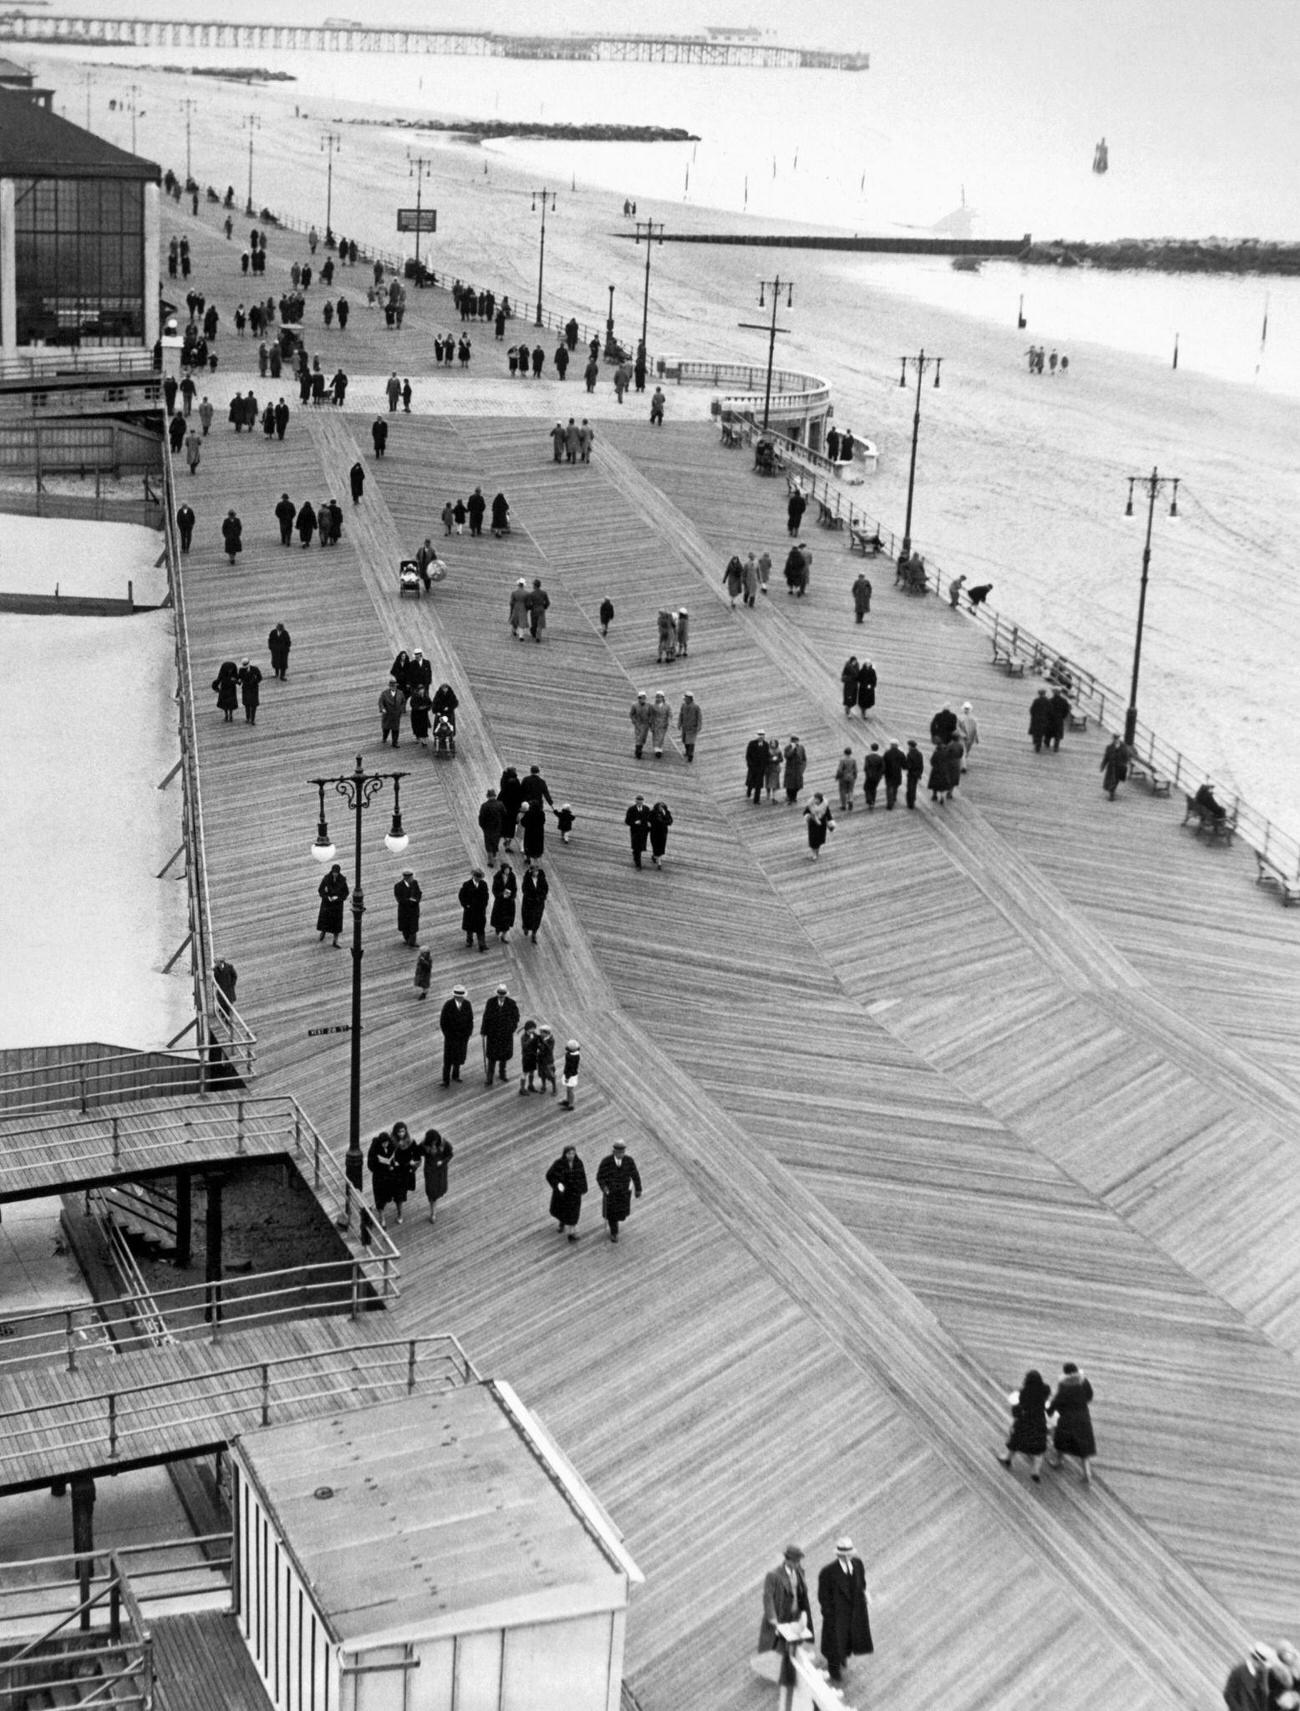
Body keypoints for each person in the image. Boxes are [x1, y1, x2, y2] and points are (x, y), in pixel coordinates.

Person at [817, 1540, 873, 1685]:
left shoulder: (857, 1564)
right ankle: (834, 1670)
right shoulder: (828, 1572)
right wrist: (829, 1616)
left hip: (854, 1612)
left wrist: (865, 1594)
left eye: (849, 1554)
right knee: (834, 1644)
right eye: (844, 1554)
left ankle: (843, 1658)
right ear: (839, 1555)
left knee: (848, 1640)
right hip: (837, 1616)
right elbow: (823, 1597)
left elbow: (862, 1583)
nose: (848, 1556)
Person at [757, 1545, 813, 1690]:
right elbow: (767, 1598)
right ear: (787, 1560)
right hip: (780, 1617)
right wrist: (773, 1619)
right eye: (795, 1561)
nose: (797, 1564)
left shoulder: (799, 1571)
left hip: (795, 1614)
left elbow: (801, 1591)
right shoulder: (774, 1575)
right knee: (775, 1645)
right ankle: (776, 1671)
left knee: (792, 1644)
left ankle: (788, 1672)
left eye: (798, 1561)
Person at [998, 1368, 1052, 1481]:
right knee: (1039, 1447)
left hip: (1025, 1420)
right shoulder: (1046, 1389)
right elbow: (1046, 1399)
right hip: (1039, 1420)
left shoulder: (1025, 1392)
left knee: (1016, 1440)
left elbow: (1022, 1405)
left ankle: (1007, 1458)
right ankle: (1035, 1471)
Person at [1047, 1362, 1096, 1481]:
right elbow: (1090, 1396)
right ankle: (1087, 1474)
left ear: (1065, 1373)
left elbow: (1058, 1400)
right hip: (1083, 1417)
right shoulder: (1084, 1381)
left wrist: (1050, 1411)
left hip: (1067, 1418)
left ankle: (1058, 1461)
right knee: (1084, 1447)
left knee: (1061, 1440)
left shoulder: (1065, 1385)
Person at [596, 1141, 642, 1242]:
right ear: (614, 1152)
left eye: (622, 1152)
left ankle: (614, 1227)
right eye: (618, 1152)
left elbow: (635, 1175)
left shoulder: (629, 1161)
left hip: (623, 1193)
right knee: (611, 1214)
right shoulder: (606, 1162)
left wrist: (638, 1189)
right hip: (610, 1193)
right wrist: (604, 1187)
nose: (621, 1154)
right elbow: (600, 1177)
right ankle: (614, 1232)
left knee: (620, 1213)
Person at [480, 981, 521, 1084]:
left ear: (506, 995)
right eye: (500, 995)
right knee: (492, 1057)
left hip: (505, 1035)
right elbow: (486, 1017)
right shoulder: (490, 1002)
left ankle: (502, 1073)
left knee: (504, 1056)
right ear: (497, 994)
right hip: (493, 1035)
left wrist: (511, 1028)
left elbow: (516, 1018)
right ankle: (489, 1078)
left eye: (503, 995)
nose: (501, 997)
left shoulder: (511, 1003)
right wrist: (483, 1031)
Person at [1223, 1645, 1282, 1711]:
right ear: (1257, 1662)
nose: (1265, 1668)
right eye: (1263, 1665)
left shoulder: (1263, 1673)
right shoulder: (1239, 1671)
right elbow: (1228, 1694)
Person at [546, 1145, 587, 1239]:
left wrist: (583, 1188)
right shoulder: (559, 1164)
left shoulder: (578, 1163)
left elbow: (582, 1176)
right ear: (565, 1154)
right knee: (563, 1211)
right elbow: (549, 1175)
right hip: (564, 1194)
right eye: (569, 1153)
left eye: (573, 1153)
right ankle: (563, 1223)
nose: (571, 1155)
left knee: (574, 1213)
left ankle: (571, 1234)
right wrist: (557, 1185)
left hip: (575, 1193)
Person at [439, 985, 474, 1086]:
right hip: (451, 1037)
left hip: (462, 1037)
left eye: (461, 996)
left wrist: (468, 1033)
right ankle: (446, 1080)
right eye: (458, 996)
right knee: (448, 1060)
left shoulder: (467, 1005)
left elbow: (470, 1020)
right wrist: (447, 1035)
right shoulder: (448, 1005)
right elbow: (443, 1022)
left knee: (458, 1057)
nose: (460, 998)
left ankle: (456, 1075)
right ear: (455, 996)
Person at [366, 1130, 400, 1229]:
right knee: (379, 1197)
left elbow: (395, 1157)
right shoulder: (374, 1150)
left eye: (387, 1143)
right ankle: (382, 1218)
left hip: (389, 1175)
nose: (385, 1145)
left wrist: (393, 1165)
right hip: (379, 1177)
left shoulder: (391, 1147)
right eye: (383, 1143)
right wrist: (382, 1166)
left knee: (389, 1194)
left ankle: (392, 1211)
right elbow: (370, 1165)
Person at [316, 863, 348, 946]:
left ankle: (335, 940)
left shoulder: (342, 880)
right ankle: (323, 932)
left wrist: (338, 898)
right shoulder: (326, 879)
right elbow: (320, 890)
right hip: (327, 903)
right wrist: (327, 897)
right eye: (334, 872)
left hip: (337, 905)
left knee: (336, 924)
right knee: (325, 920)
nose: (335, 874)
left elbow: (346, 892)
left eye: (336, 873)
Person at [458, 869, 489, 952]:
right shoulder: (467, 885)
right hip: (470, 910)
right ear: (473, 876)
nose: (478, 879)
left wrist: (484, 905)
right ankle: (469, 941)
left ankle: (482, 944)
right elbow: (461, 896)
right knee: (469, 928)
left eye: (480, 877)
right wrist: (465, 905)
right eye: (477, 877)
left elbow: (486, 896)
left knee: (480, 928)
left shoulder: (483, 884)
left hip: (480, 910)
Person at [490, 862, 518, 942]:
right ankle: (498, 930)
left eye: (508, 869)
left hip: (509, 902)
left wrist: (512, 896)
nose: (507, 871)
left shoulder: (512, 876)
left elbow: (514, 888)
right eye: (506, 869)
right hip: (500, 902)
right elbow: (494, 889)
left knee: (507, 920)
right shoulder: (497, 877)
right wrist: (501, 895)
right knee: (498, 918)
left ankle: (504, 936)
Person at [521, 863, 549, 943]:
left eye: (537, 871)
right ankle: (525, 927)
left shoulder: (542, 879)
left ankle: (534, 934)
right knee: (527, 917)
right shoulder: (527, 880)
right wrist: (531, 897)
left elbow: (545, 889)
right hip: (528, 903)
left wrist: (541, 897)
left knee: (537, 918)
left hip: (538, 904)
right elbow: (524, 890)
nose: (536, 873)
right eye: (534, 871)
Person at [394, 869, 422, 946]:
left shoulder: (415, 883)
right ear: (406, 878)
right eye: (410, 878)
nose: (412, 879)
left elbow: (418, 894)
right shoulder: (398, 886)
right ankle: (407, 939)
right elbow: (400, 899)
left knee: (413, 927)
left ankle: (412, 942)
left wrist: (414, 900)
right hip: (404, 910)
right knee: (405, 926)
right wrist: (411, 900)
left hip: (413, 909)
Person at [804, 793, 834, 859]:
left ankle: (817, 852)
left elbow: (828, 814)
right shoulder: (810, 805)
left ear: (820, 800)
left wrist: (831, 822)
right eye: (814, 798)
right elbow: (805, 813)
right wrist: (809, 816)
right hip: (813, 823)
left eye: (817, 799)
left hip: (822, 823)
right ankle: (814, 854)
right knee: (813, 839)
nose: (815, 800)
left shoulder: (825, 805)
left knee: (820, 839)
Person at [625, 794, 652, 868]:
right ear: (635, 801)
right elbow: (627, 821)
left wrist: (649, 824)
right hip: (635, 831)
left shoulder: (646, 809)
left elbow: (650, 819)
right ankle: (638, 863)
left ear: (643, 801)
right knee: (637, 847)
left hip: (643, 831)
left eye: (641, 801)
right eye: (638, 801)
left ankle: (636, 856)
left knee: (640, 847)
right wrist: (634, 822)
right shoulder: (631, 809)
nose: (639, 802)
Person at [1100, 736, 1130, 800]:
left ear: (1119, 739)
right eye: (1114, 739)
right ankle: (1111, 793)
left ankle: (1112, 791)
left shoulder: (1123, 747)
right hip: (1111, 767)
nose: (1115, 740)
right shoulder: (1109, 747)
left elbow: (1126, 757)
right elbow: (1106, 757)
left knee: (1116, 780)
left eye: (1117, 739)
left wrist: (1124, 764)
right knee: (1112, 780)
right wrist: (1103, 766)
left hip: (1119, 767)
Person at [379, 677, 406, 748]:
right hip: (387, 714)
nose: (393, 687)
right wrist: (382, 709)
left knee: (395, 729)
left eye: (394, 686)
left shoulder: (400, 693)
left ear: (396, 686)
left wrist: (401, 709)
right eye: (392, 686)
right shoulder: (384, 693)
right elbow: (380, 702)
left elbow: (403, 701)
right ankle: (384, 737)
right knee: (386, 728)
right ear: (390, 686)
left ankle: (395, 742)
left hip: (396, 715)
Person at [678, 692, 702, 762]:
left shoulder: (696, 707)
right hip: (685, 727)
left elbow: (699, 717)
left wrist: (699, 726)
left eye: (686, 699)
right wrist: (679, 723)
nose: (685, 700)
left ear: (690, 699)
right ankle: (687, 751)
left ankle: (690, 755)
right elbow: (681, 715)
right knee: (685, 741)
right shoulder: (683, 706)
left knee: (691, 742)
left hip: (692, 728)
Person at [745, 731, 768, 802]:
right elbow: (748, 755)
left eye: (762, 735)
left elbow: (766, 756)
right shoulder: (752, 743)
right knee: (751, 781)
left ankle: (756, 799)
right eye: (759, 735)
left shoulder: (766, 744)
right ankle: (749, 791)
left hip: (761, 768)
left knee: (758, 784)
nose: (761, 736)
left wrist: (765, 766)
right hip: (753, 767)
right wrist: (750, 764)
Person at [649, 801, 673, 869]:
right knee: (656, 845)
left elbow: (670, 821)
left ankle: (656, 858)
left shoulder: (667, 812)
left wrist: (665, 821)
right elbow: (651, 820)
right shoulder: (653, 813)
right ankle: (658, 861)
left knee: (661, 846)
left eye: (662, 807)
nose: (661, 808)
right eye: (660, 807)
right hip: (655, 832)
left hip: (663, 832)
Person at [1046, 687, 1071, 752]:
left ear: (1053, 693)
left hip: (1051, 719)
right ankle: (1056, 747)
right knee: (1057, 734)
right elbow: (1066, 710)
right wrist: (1063, 717)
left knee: (1049, 732)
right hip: (1059, 719)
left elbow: (1046, 710)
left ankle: (1047, 743)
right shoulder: (1064, 701)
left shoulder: (1050, 700)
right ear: (1060, 693)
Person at [237, 658, 261, 726]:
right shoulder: (241, 670)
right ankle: (248, 718)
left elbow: (260, 678)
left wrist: (255, 682)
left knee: (254, 705)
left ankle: (252, 719)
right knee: (247, 705)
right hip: (246, 689)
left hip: (253, 689)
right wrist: (238, 681)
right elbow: (239, 678)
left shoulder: (255, 669)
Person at [783, 736, 806, 804]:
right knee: (789, 785)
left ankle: (794, 797)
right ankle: (790, 798)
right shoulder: (787, 748)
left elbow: (804, 758)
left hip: (798, 769)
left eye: (796, 741)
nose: (795, 742)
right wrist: (792, 749)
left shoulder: (801, 747)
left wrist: (803, 768)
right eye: (794, 741)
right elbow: (787, 756)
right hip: (790, 769)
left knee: (797, 785)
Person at [957, 701, 979, 769]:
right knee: (963, 751)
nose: (966, 710)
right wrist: (962, 735)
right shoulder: (960, 718)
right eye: (965, 708)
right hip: (963, 738)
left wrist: (977, 738)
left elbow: (976, 729)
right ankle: (963, 766)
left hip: (969, 738)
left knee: (966, 751)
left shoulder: (973, 719)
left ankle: (962, 762)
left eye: (967, 708)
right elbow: (957, 727)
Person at [904, 739, 925, 809]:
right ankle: (912, 800)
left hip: (911, 774)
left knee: (910, 788)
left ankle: (910, 802)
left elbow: (908, 766)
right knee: (914, 787)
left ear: (910, 746)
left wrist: (905, 766)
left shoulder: (909, 754)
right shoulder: (919, 754)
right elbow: (921, 765)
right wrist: (920, 773)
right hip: (917, 774)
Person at [649, 692, 670, 759]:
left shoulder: (667, 706)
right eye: (657, 697)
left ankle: (659, 748)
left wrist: (669, 720)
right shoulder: (653, 706)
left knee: (661, 737)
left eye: (660, 697)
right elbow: (651, 715)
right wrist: (650, 723)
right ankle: (656, 749)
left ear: (663, 698)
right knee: (655, 736)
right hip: (655, 723)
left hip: (663, 724)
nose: (658, 698)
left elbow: (669, 714)